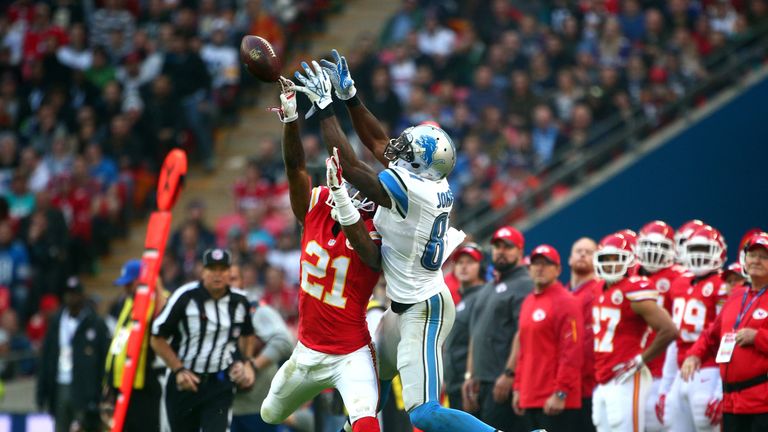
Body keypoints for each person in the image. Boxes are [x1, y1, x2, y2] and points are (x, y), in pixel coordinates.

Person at [292, 54, 498, 432]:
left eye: (408, 152)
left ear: (420, 165)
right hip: (400, 307)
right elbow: (377, 141)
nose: (397, 151)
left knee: (424, 413)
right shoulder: (428, 180)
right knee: (371, 380)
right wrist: (350, 97)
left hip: (423, 308)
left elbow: (352, 167)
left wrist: (325, 110)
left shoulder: (412, 190)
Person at [259, 78, 382, 432]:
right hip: (307, 351)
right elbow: (295, 169)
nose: (351, 193)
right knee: (270, 412)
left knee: (365, 421)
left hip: (350, 352)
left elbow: (370, 256)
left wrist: (346, 205)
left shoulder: (374, 227)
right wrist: (291, 118)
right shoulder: (315, 206)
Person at [150, 248, 256, 432]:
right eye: (212, 269)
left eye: (222, 269)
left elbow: (248, 332)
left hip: (219, 384)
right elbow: (157, 337)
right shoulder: (185, 297)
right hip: (185, 383)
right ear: (202, 271)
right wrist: (178, 369)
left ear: (229, 272)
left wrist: (246, 362)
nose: (217, 274)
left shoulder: (239, 301)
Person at [681, 231, 768, 432]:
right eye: (753, 255)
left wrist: (758, 337)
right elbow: (711, 333)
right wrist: (695, 355)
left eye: (764, 257)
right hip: (731, 401)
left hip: (761, 403)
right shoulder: (737, 295)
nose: (756, 260)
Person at [591, 232, 677, 432]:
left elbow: (669, 330)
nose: (610, 265)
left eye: (616, 259)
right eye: (606, 259)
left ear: (630, 260)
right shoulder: (598, 288)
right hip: (604, 376)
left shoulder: (634, 288)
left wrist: (641, 360)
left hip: (627, 376)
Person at [462, 226, 533, 432]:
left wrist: (510, 374)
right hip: (481, 384)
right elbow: (475, 334)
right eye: (497, 246)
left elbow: (524, 332)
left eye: (507, 247)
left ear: (520, 251)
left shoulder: (524, 284)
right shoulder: (487, 288)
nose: (501, 251)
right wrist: (470, 375)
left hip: (502, 382)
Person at [661, 225, 728, 432]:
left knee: (706, 424)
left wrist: (720, 390)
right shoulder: (679, 284)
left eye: (705, 250)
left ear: (719, 253)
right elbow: (675, 341)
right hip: (682, 372)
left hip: (710, 369)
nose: (699, 256)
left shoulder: (723, 284)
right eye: (694, 249)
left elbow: (727, 337)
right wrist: (665, 387)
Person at [512, 245, 583, 432]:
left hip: (555, 401)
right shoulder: (528, 301)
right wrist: (519, 387)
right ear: (529, 268)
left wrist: (561, 393)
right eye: (536, 264)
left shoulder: (567, 302)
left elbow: (572, 353)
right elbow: (523, 350)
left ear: (558, 270)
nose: (540, 268)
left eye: (546, 264)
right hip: (530, 397)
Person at [37, 277, 110, 432]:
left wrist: (100, 393)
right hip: (60, 384)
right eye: (69, 294)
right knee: (61, 427)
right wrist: (42, 392)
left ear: (82, 296)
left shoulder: (95, 323)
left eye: (75, 294)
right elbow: (47, 358)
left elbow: (103, 359)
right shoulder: (56, 322)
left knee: (85, 427)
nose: (71, 298)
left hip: (85, 388)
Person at [229, 264, 294, 432]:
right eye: (224, 279)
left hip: (257, 405)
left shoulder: (255, 309)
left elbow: (284, 341)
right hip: (222, 405)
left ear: (243, 283)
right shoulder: (206, 312)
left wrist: (253, 366)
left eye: (233, 279)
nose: (228, 284)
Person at [104, 259, 167, 432]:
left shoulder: (158, 300)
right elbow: (119, 341)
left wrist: (157, 287)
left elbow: (163, 322)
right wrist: (110, 379)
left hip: (145, 383)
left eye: (129, 284)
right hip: (123, 384)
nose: (125, 289)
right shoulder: (128, 304)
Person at [633, 221, 685, 432]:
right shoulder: (629, 274)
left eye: (661, 246)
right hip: (635, 370)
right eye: (648, 245)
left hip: (665, 371)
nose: (654, 252)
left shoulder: (679, 277)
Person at [444, 243, 487, 409]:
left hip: (471, 387)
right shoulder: (462, 300)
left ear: (481, 266)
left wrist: (471, 378)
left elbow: (479, 342)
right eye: (460, 262)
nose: (463, 266)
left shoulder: (483, 297)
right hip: (455, 385)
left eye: (470, 262)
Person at [566, 237, 600, 432]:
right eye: (579, 251)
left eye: (589, 252)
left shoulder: (598, 291)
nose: (583, 254)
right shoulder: (563, 293)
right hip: (567, 388)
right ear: (570, 259)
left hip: (590, 386)